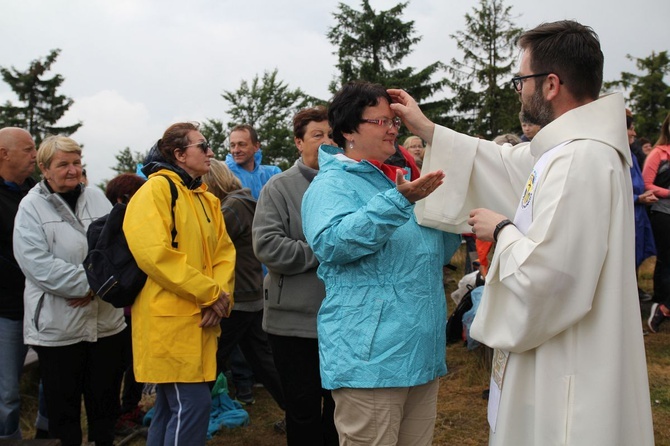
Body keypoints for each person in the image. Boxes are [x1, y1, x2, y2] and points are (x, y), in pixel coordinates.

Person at [390, 20, 654, 446]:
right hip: (569, 348)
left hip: (568, 359)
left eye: (521, 80)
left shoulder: (579, 160)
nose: (519, 91)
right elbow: (506, 164)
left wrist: (503, 230)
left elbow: (549, 277)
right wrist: (428, 130)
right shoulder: (570, 152)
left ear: (550, 84)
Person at [301, 81, 461, 445]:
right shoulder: (330, 185)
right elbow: (333, 243)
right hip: (369, 358)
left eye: (395, 123)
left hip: (419, 351)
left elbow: (429, 255)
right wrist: (398, 203)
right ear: (348, 131)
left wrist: (452, 214)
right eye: (382, 122)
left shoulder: (393, 181)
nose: (393, 129)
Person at [124, 123, 235, 445]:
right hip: (168, 325)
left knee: (169, 409)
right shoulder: (155, 191)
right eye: (203, 146)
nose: (211, 152)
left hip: (198, 321)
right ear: (179, 154)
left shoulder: (205, 198)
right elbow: (153, 254)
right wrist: (210, 294)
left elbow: (225, 252)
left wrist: (219, 297)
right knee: (193, 404)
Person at [13, 135, 126, 446]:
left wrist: (95, 289)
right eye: (63, 164)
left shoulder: (97, 198)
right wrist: (94, 282)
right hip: (58, 325)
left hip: (105, 323)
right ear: (45, 169)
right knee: (64, 414)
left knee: (104, 405)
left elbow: (119, 248)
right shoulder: (30, 208)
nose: (73, 170)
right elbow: (37, 264)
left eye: (77, 163)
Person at [252, 106, 338, 446]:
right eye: (317, 135)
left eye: (332, 135)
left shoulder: (347, 184)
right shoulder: (279, 188)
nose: (326, 141)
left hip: (342, 319)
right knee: (301, 410)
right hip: (293, 324)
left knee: (338, 408)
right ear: (298, 142)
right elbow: (268, 247)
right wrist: (327, 248)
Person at [201, 159, 286, 414]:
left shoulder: (233, 206)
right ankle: (297, 412)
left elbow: (208, 242)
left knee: (210, 358)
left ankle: (192, 413)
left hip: (238, 296)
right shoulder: (241, 201)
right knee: (263, 361)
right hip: (249, 292)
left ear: (211, 182)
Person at [103, 173, 148, 433]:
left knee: (134, 364)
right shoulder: (112, 228)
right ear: (122, 198)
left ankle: (130, 410)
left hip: (133, 308)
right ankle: (120, 416)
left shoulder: (134, 222)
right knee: (121, 366)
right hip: (118, 310)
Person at [0, 127, 37, 440]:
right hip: (7, 309)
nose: (35, 155)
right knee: (7, 393)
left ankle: (47, 434)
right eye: (27, 149)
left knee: (55, 379)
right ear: (4, 154)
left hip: (42, 305)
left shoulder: (36, 192)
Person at [643, 112, 670, 332]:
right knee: (665, 261)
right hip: (663, 213)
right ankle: (660, 304)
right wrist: (668, 192)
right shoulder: (658, 154)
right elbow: (646, 184)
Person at [626, 114, 657, 302]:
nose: (634, 133)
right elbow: (616, 192)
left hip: (638, 215)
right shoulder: (616, 156)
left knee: (636, 257)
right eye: (631, 128)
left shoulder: (631, 156)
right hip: (629, 215)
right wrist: (638, 198)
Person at [225, 124, 281, 199]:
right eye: (232, 145)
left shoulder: (273, 174)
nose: (236, 150)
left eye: (242, 145)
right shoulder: (224, 176)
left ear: (256, 146)